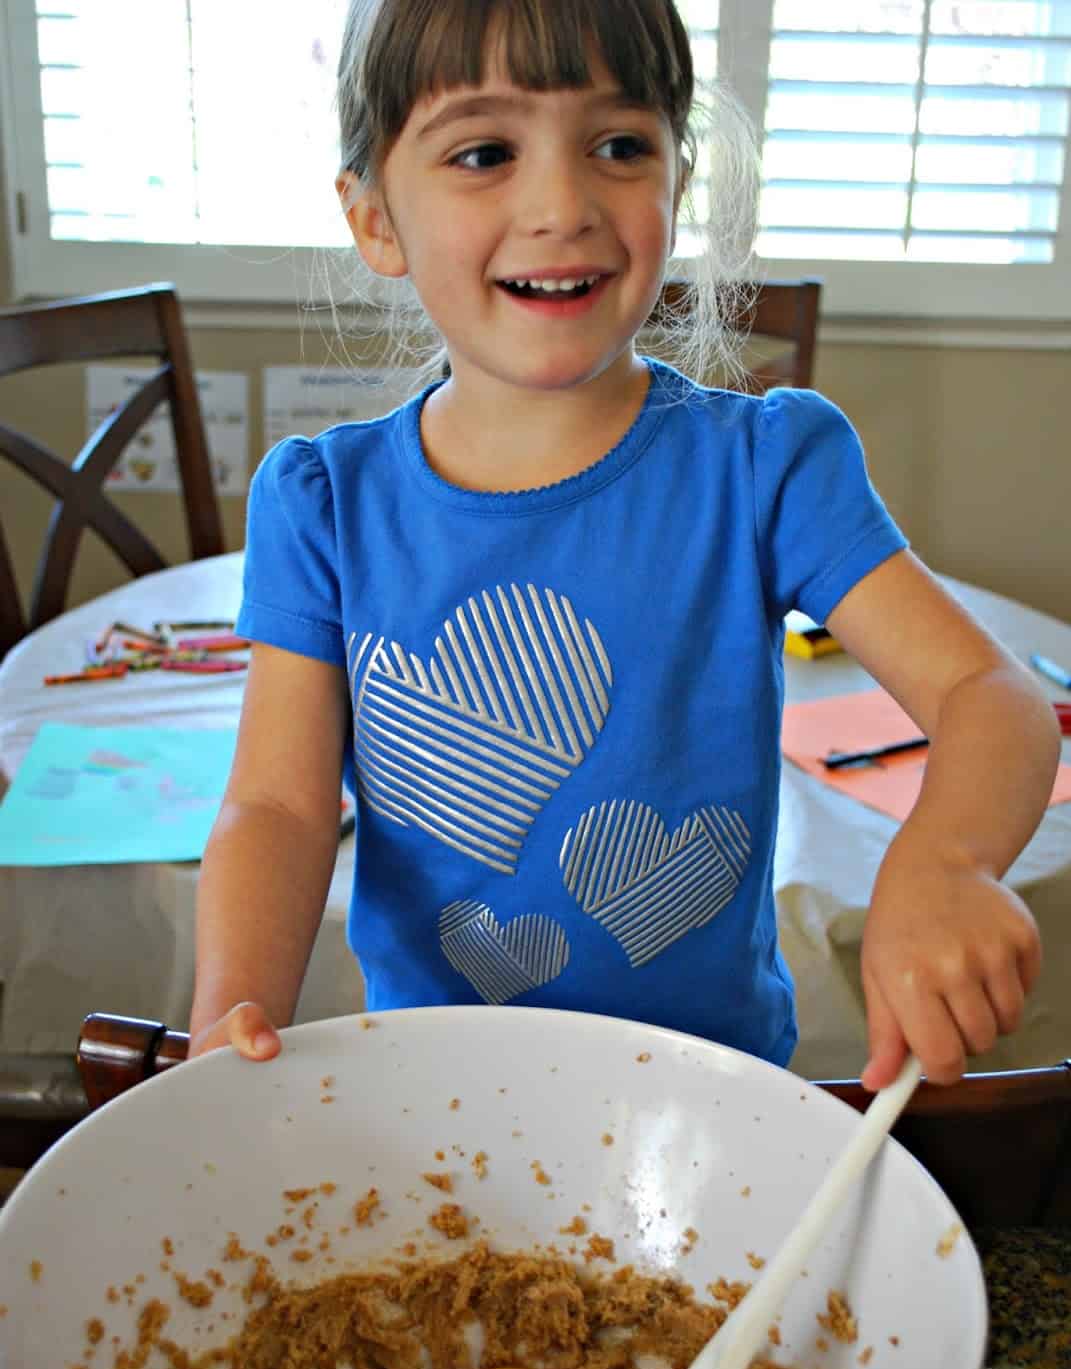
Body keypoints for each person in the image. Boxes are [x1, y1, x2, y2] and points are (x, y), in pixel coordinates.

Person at [189, 0, 1061, 1095]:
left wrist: (944, 859)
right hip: (431, 1090)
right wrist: (228, 1005)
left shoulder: (764, 469)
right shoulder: (323, 505)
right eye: (485, 151)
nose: (562, 205)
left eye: (618, 145)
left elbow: (993, 693)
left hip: (706, 1094)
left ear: (677, 183)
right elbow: (279, 804)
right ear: (377, 221)